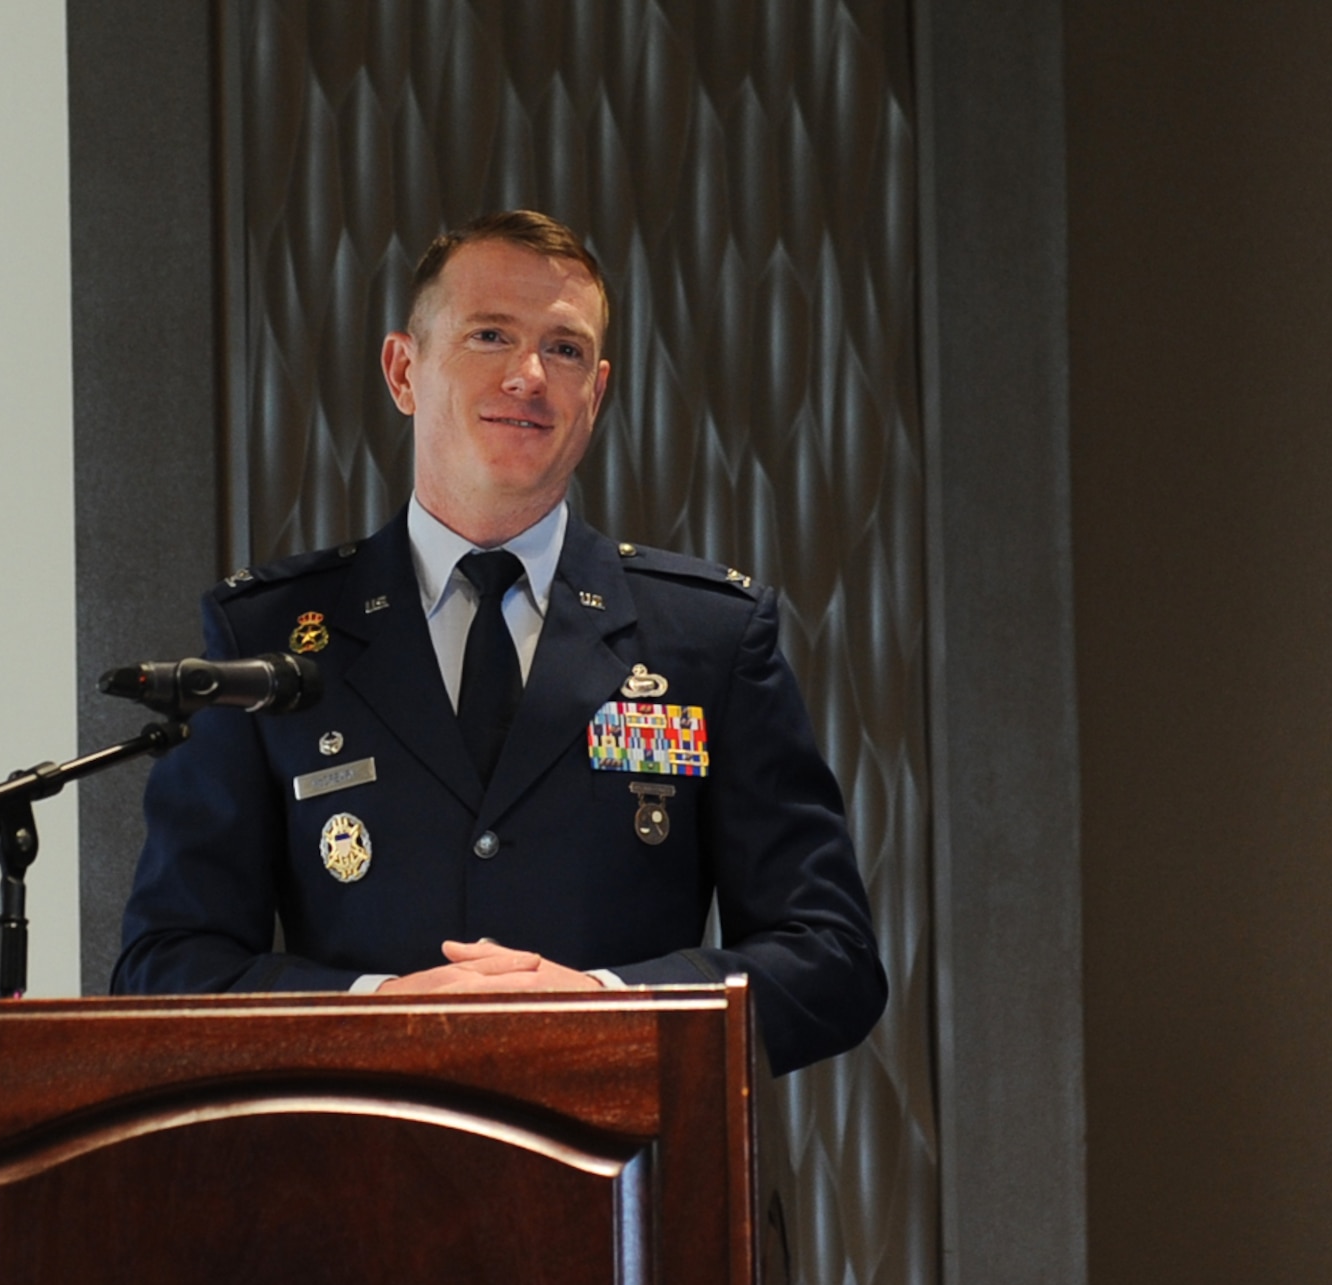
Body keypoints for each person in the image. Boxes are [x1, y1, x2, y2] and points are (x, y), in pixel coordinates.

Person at [112, 210, 885, 1074]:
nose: (528, 376)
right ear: (404, 371)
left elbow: (830, 961)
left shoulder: (706, 636)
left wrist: (603, 1006)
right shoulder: (270, 641)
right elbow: (167, 967)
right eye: (491, 335)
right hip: (358, 1177)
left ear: (595, 391)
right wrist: (369, 1009)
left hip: (631, 1179)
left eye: (564, 349)